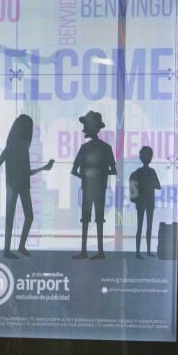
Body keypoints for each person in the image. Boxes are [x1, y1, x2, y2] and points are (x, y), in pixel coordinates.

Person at [0, 114, 54, 258]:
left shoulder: (24, 151)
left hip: (23, 186)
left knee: (29, 217)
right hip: (12, 186)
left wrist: (43, 168)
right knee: (10, 218)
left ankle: (21, 246)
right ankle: (7, 250)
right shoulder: (11, 149)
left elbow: (27, 172)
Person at [71, 110, 116, 259]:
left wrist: (87, 176)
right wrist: (99, 174)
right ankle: (94, 250)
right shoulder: (105, 148)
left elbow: (74, 170)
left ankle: (91, 250)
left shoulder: (88, 148)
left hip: (92, 189)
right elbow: (113, 170)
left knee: (90, 219)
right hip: (96, 189)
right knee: (93, 219)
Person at [129, 146, 162, 259]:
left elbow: (158, 186)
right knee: (145, 226)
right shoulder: (149, 172)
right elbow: (158, 186)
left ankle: (142, 251)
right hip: (146, 202)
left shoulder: (138, 173)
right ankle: (141, 251)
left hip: (145, 202)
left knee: (143, 226)